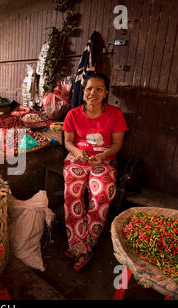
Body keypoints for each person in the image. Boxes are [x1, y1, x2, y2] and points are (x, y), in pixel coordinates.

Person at [62, 73, 128, 271]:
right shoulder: (72, 114)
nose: (93, 93)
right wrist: (77, 152)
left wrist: (104, 155)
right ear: (83, 92)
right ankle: (77, 241)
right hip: (77, 158)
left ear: (105, 93)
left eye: (99, 89)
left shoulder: (115, 114)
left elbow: (117, 144)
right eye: (89, 88)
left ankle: (87, 244)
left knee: (101, 194)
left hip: (104, 160)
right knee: (72, 192)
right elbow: (68, 142)